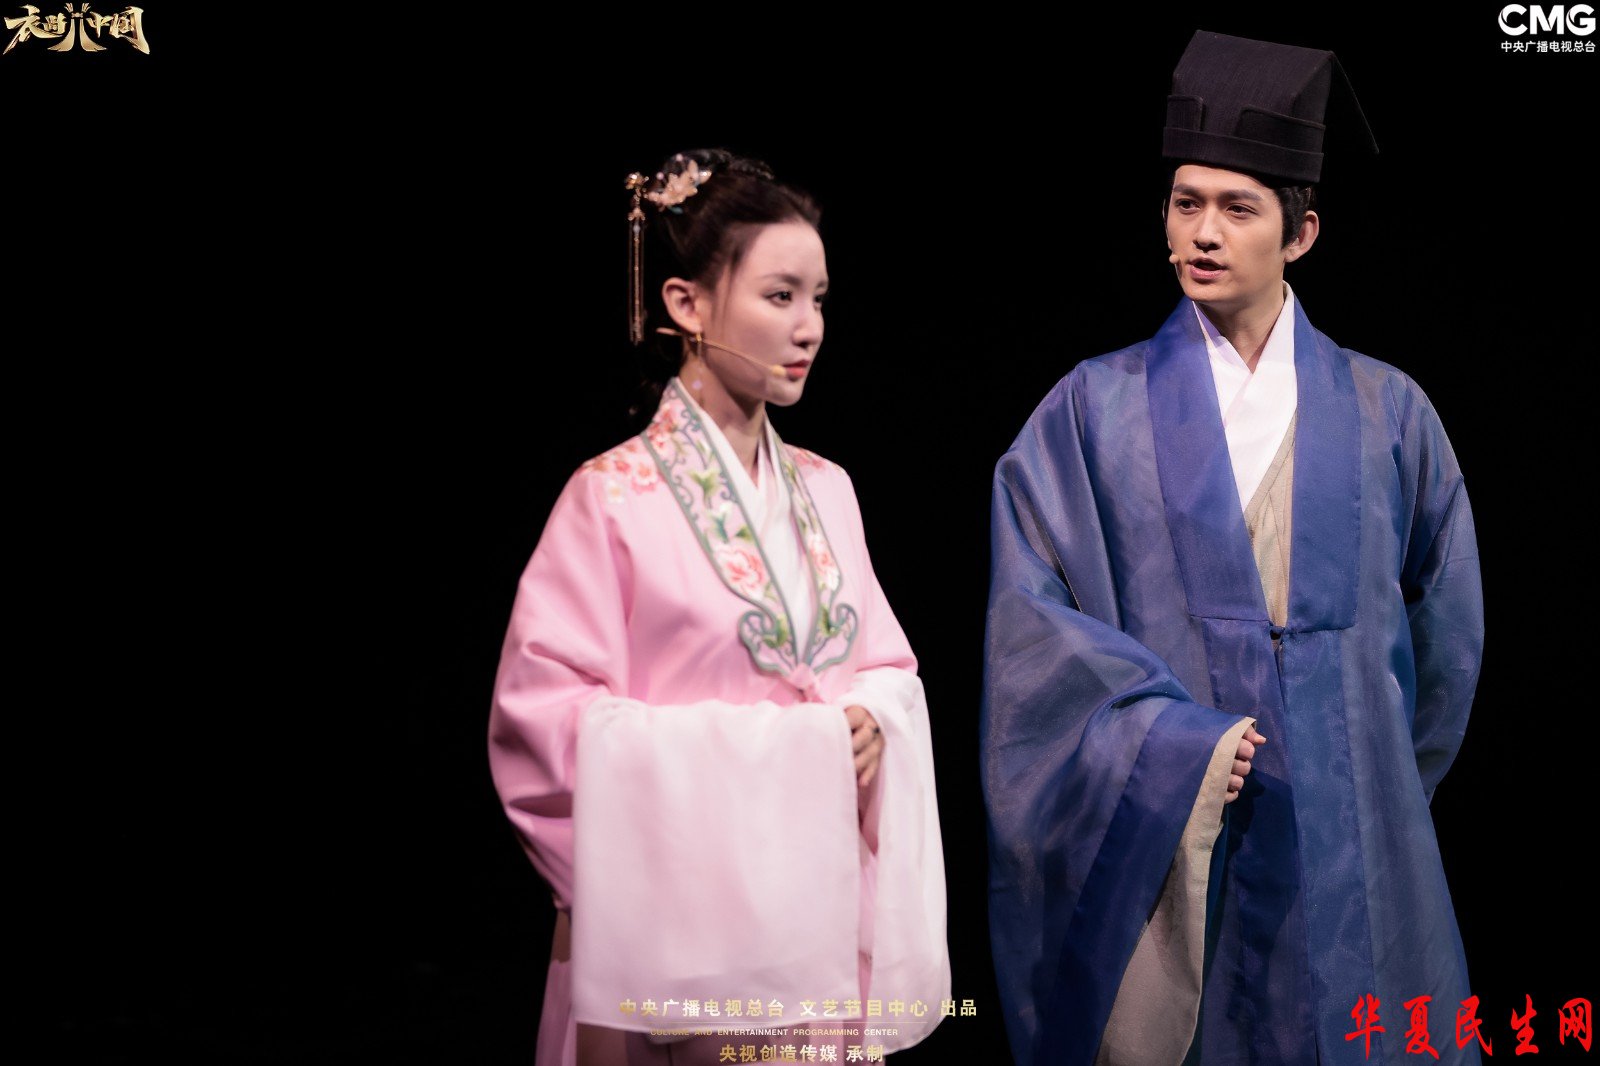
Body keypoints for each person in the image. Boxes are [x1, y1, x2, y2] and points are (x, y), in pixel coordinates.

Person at [982, 32, 1484, 1066]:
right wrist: (1171, 745)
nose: (1201, 233)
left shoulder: (1388, 411)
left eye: (1237, 208)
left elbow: (1447, 646)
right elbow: (1030, 636)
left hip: (1358, 847)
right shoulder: (1091, 410)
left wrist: (1373, 779)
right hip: (1184, 843)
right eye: (1184, 203)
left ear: (1302, 233)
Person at [489, 149, 949, 1066]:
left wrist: (873, 720)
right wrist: (772, 760)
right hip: (670, 956)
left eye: (819, 299)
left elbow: (886, 667)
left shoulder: (828, 490)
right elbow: (542, 728)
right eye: (780, 297)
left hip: (813, 928)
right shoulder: (609, 498)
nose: (810, 327)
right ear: (686, 304)